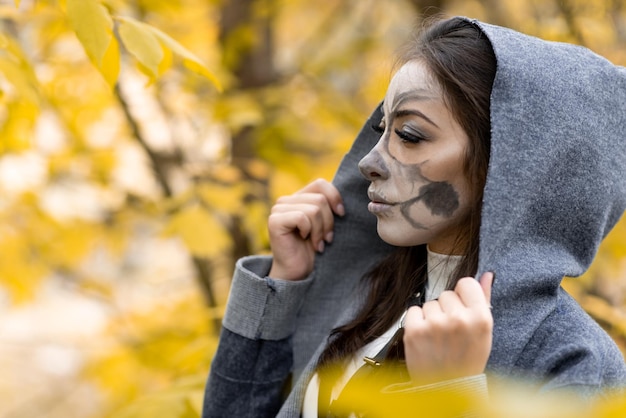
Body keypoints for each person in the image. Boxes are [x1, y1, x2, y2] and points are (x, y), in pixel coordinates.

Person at [202, 16, 626, 417]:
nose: (369, 161)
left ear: (508, 165)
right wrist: (283, 283)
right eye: (381, 130)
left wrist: (446, 394)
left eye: (409, 135)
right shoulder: (370, 297)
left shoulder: (571, 358)